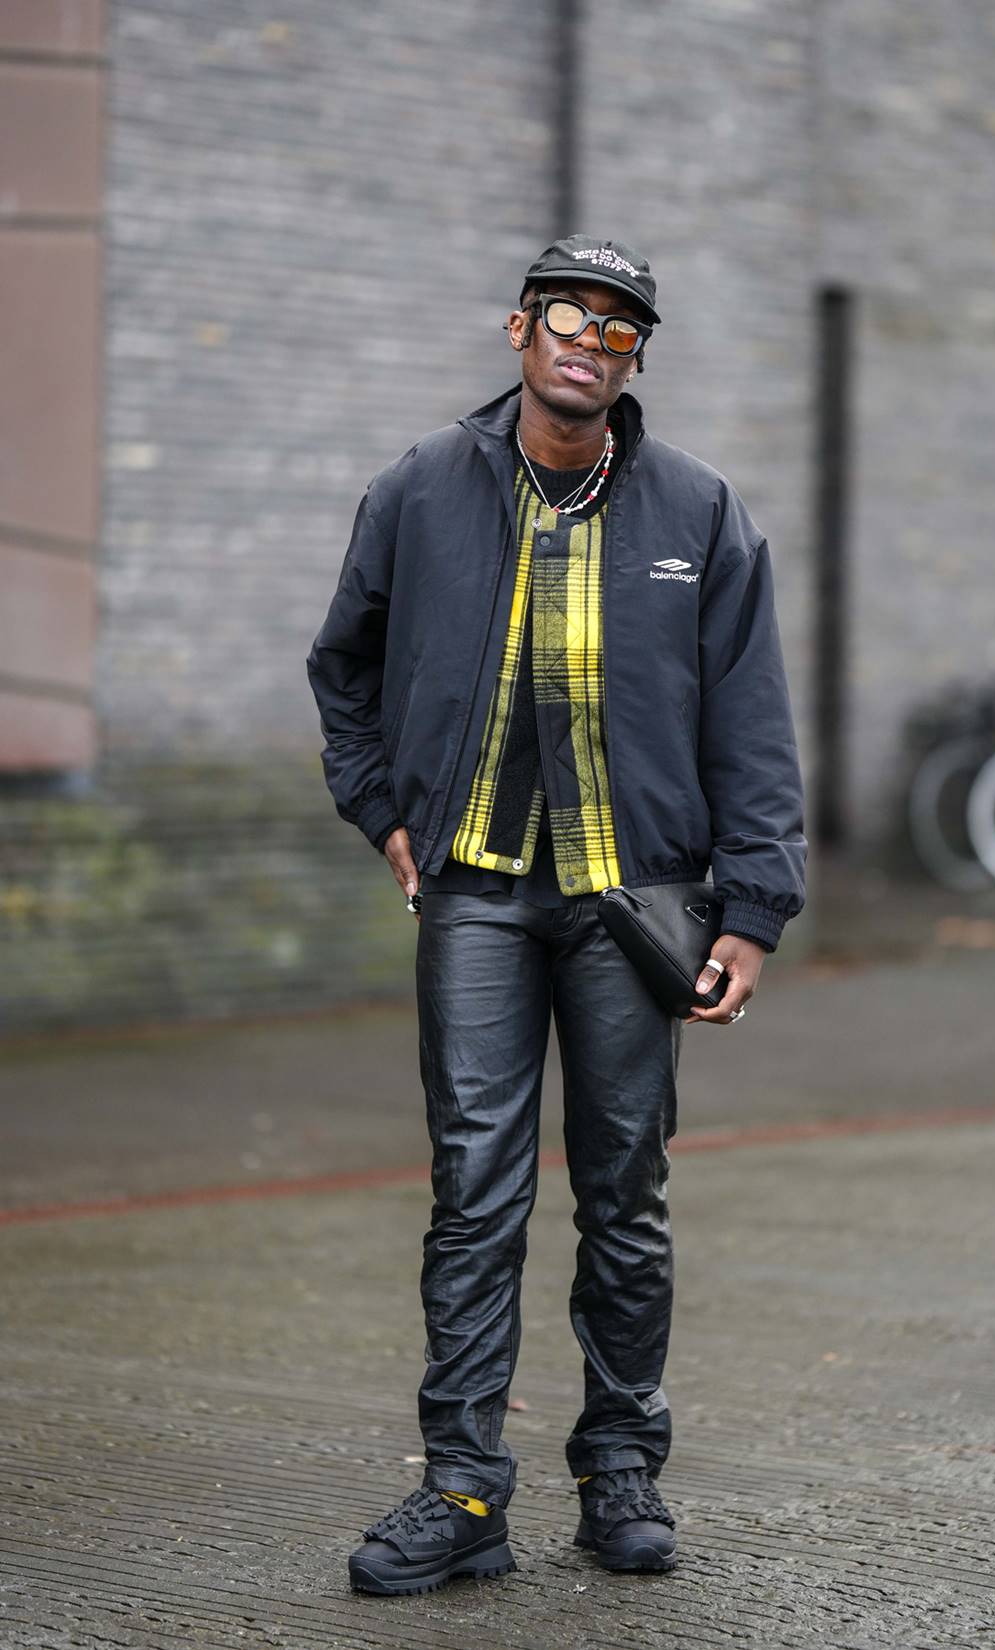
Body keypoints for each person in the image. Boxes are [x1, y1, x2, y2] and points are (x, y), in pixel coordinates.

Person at [306, 234, 807, 1597]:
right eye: (570, 315)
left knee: (625, 1190)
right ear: (519, 328)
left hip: (632, 903)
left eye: (621, 327)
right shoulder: (422, 489)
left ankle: (621, 1466)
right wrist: (382, 809)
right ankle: (463, 1487)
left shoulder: (699, 514)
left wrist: (753, 905)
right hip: (473, 886)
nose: (592, 340)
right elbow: (341, 662)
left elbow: (753, 723)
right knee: (473, 1187)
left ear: (635, 358)